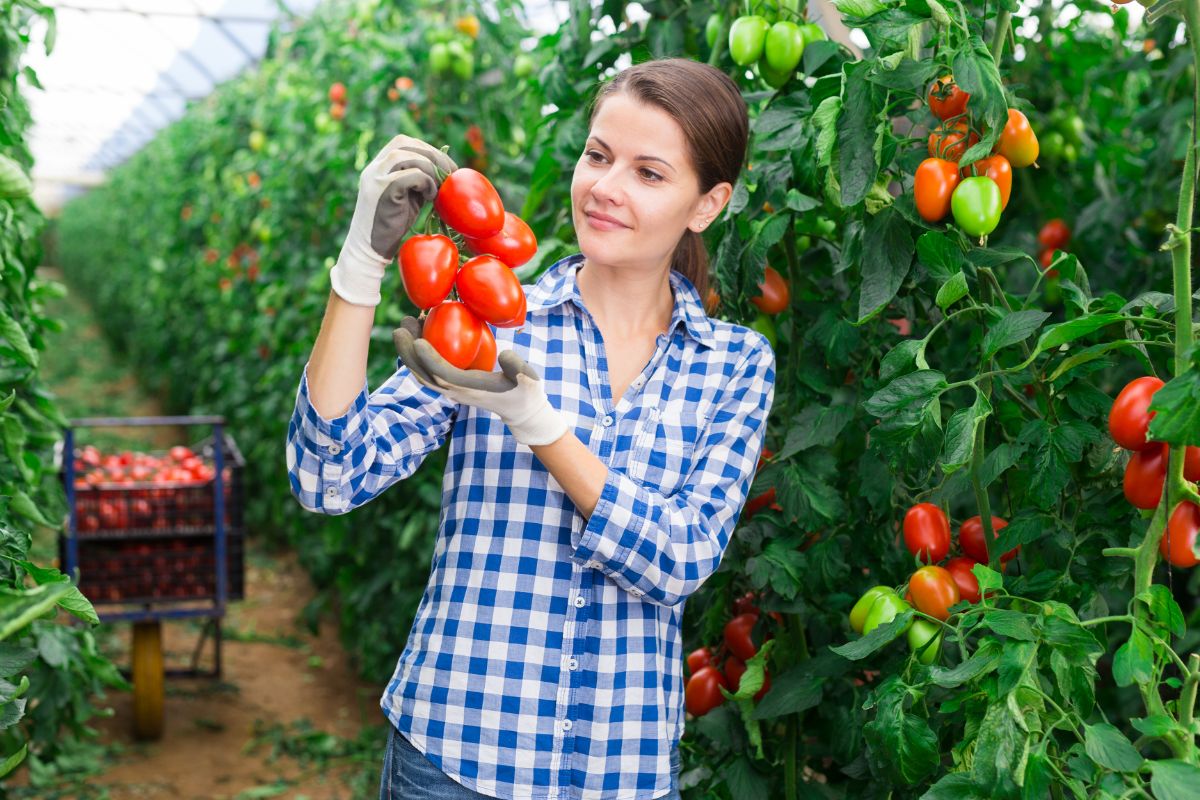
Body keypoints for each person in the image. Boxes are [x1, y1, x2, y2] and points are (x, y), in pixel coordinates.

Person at [286, 57, 775, 800]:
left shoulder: (733, 364)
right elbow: (329, 476)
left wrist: (537, 422)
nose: (606, 188)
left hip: (623, 774)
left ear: (707, 204)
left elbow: (681, 557)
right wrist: (361, 265)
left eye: (649, 174)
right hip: (455, 757)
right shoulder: (491, 316)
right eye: (597, 156)